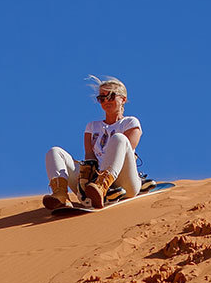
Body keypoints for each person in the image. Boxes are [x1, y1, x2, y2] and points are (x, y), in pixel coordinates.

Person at [45, 77, 143, 209]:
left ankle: (102, 187)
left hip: (125, 182)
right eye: (101, 98)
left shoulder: (130, 122)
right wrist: (86, 176)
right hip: (93, 183)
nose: (106, 101)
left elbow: (127, 149)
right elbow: (90, 156)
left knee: (119, 138)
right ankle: (60, 195)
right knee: (55, 151)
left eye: (111, 96)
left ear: (123, 99)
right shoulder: (92, 127)